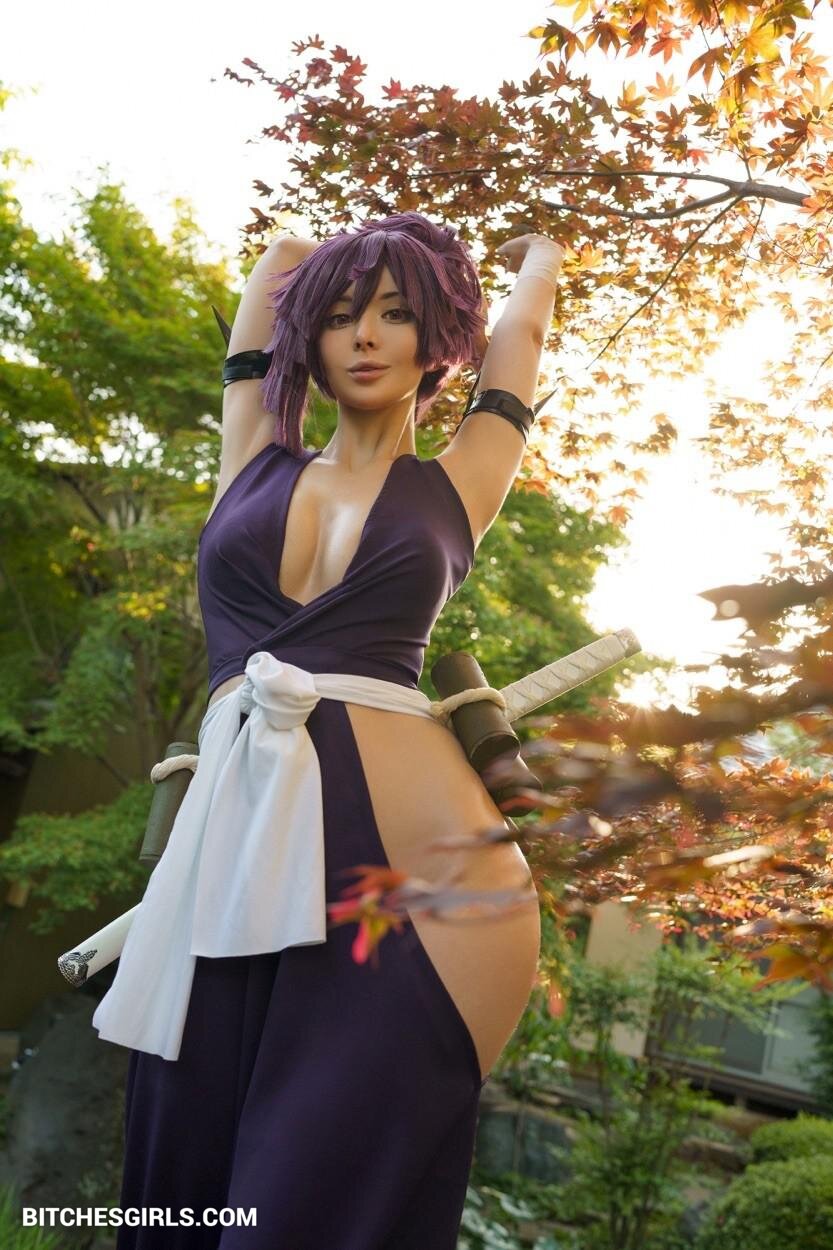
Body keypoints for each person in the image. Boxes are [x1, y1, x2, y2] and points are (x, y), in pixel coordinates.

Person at [105, 211, 564, 1248]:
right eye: (340, 315)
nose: (363, 336)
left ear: (436, 339)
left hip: (404, 890)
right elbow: (271, 271)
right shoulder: (252, 455)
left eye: (396, 314)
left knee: (303, 1205)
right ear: (306, 335)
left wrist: (538, 258)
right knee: (182, 1184)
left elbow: (520, 343)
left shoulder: (457, 481)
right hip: (224, 864)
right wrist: (358, 250)